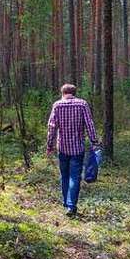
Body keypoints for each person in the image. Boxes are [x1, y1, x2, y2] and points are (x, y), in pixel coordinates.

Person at [46, 83, 100, 216]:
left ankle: (66, 203)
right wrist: (94, 141)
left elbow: (52, 126)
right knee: (75, 177)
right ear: (74, 92)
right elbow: (89, 124)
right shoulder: (82, 104)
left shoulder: (57, 105)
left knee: (64, 175)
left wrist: (49, 145)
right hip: (77, 148)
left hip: (62, 148)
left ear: (62, 93)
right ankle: (71, 206)